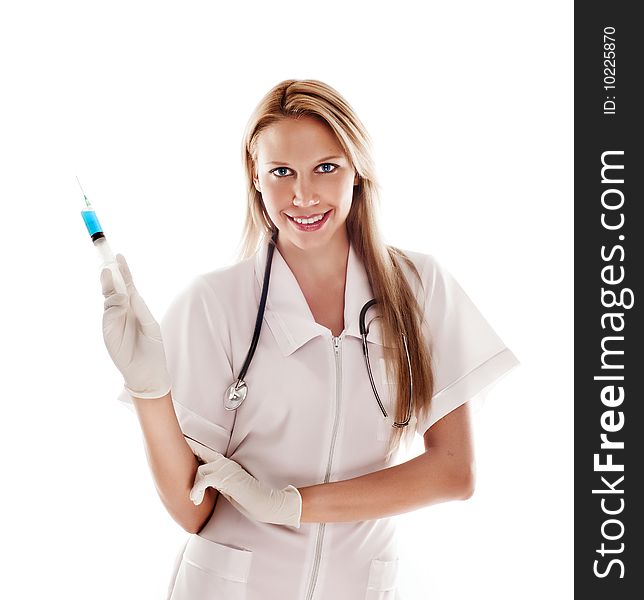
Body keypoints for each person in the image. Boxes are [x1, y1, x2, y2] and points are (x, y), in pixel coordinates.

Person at [100, 79, 519, 600]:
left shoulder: (420, 288)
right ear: (255, 179)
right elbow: (192, 508)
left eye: (326, 168)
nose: (303, 195)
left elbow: (454, 473)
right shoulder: (214, 303)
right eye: (281, 172)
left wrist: (291, 504)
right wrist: (150, 392)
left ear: (357, 172)